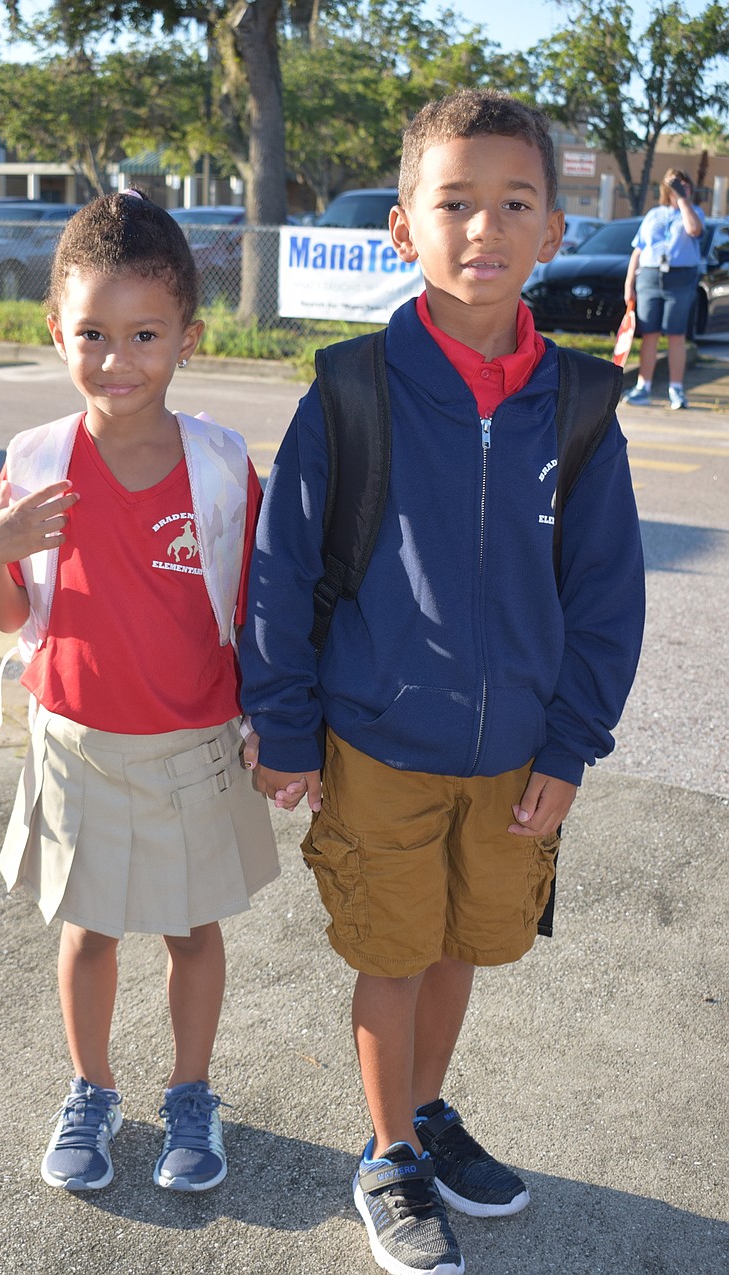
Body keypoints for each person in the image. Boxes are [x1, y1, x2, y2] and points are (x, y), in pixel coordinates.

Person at [238, 89, 645, 1275]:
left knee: (462, 942)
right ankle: (386, 1156)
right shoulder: (351, 390)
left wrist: (569, 746)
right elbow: (282, 568)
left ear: (554, 231)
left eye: (514, 204)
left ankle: (423, 1111)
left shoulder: (580, 407)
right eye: (454, 202)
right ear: (402, 227)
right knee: (393, 954)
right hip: (378, 741)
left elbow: (606, 597)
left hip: (515, 754)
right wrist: (285, 725)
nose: (483, 228)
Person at [0, 189, 279, 1194]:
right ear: (56, 331)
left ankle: (191, 1094)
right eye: (93, 334)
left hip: (194, 746)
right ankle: (91, 1089)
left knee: (194, 930)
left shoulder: (220, 467)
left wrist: (275, 726)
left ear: (189, 336)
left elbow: (259, 613)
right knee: (88, 930)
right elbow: (9, 615)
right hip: (77, 744)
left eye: (145, 334)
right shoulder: (36, 464)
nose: (118, 359)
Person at [622, 167, 705, 410]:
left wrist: (683, 199)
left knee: (676, 334)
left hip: (680, 279)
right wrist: (629, 284)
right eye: (676, 184)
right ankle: (643, 387)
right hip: (649, 277)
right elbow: (638, 249)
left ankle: (676, 390)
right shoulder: (653, 214)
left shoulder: (694, 212)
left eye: (685, 183)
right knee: (649, 334)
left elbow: (694, 230)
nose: (681, 186)